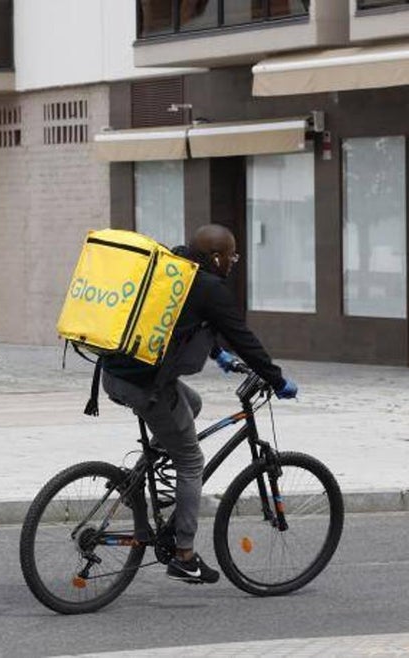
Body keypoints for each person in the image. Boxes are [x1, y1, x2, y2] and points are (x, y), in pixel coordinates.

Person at [101, 223, 298, 585]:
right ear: (218, 257)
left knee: (191, 405)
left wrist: (217, 354)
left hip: (114, 375)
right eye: (232, 256)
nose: (234, 263)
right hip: (147, 386)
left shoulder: (175, 269)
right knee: (191, 461)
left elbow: (180, 321)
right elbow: (244, 338)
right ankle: (184, 556)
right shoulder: (209, 287)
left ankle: (137, 478)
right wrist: (276, 379)